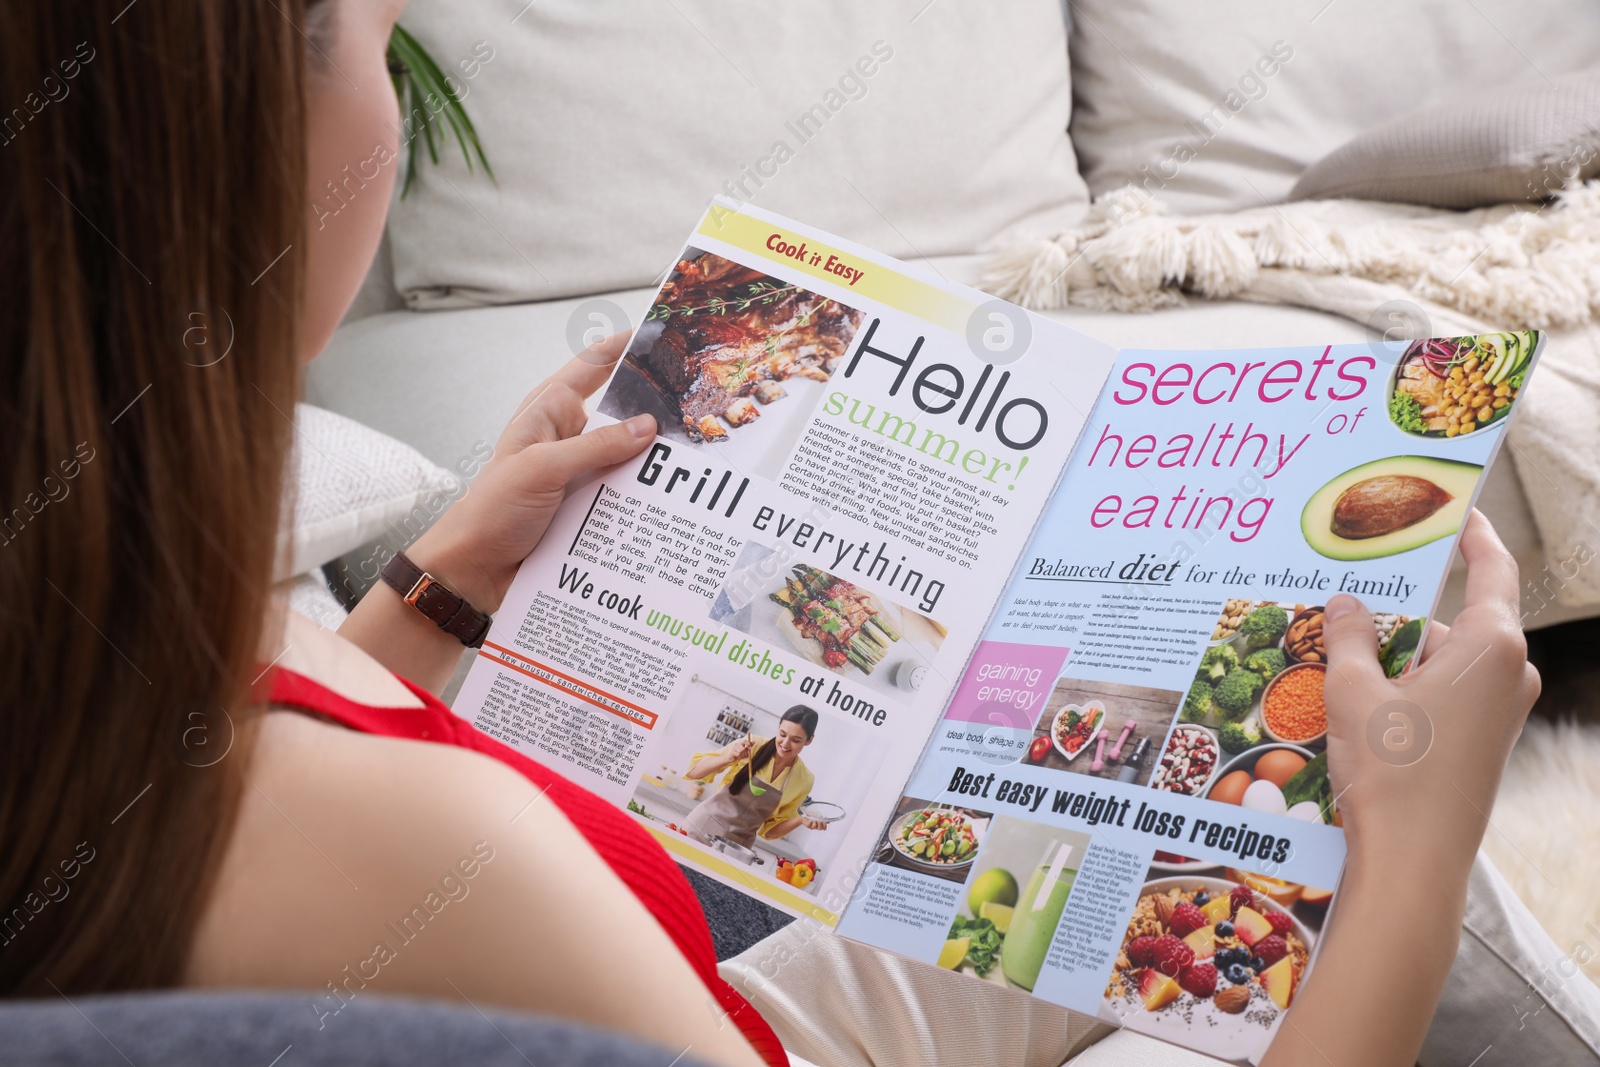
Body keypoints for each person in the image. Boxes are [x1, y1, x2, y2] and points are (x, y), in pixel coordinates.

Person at [0, 3, 1585, 1067]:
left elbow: (212, 792)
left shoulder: (89, 639)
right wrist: (1420, 846)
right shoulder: (429, 853)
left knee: (1148, 854)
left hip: (659, 996)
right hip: (685, 1012)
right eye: (355, 26)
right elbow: (332, 842)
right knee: (1340, 876)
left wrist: (435, 592)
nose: (396, 51)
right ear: (221, 159)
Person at [682, 707, 829, 848]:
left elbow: (769, 832)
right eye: (782, 734)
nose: (785, 744)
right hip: (703, 826)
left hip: (736, 845)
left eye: (796, 740)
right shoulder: (753, 745)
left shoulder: (804, 779)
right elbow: (693, 773)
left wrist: (801, 820)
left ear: (809, 740)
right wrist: (728, 758)